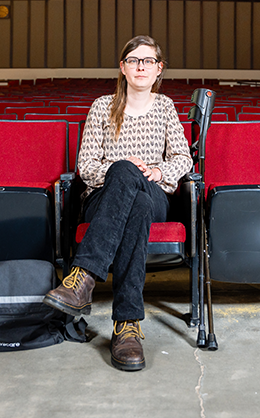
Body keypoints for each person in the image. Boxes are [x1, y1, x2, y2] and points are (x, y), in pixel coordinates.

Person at [42, 35, 192, 371]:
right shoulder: (101, 107)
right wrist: (122, 172)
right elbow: (87, 166)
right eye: (134, 60)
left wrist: (155, 170)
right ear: (122, 68)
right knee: (131, 196)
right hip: (103, 197)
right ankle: (127, 327)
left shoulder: (166, 107)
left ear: (159, 69)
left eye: (149, 61)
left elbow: (184, 158)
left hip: (155, 192)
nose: (142, 66)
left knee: (137, 189)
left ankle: (82, 278)